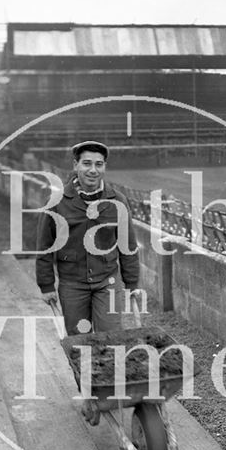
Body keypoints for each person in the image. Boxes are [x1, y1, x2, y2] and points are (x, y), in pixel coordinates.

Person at [36, 139, 140, 335]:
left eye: (98, 164)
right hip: (72, 285)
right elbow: (44, 246)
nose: (93, 170)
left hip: (107, 282)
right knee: (79, 342)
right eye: (87, 163)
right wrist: (46, 285)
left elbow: (128, 245)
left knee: (111, 338)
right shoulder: (56, 202)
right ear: (75, 165)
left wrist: (132, 283)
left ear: (104, 167)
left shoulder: (117, 201)